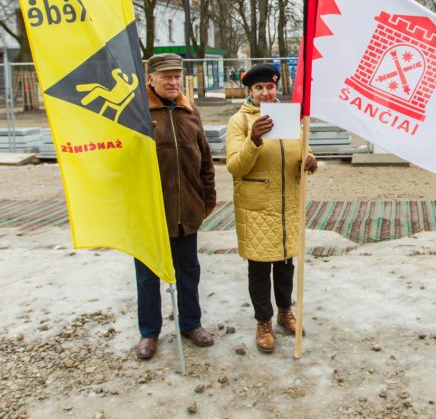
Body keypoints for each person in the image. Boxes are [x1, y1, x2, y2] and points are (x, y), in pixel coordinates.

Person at [226, 63, 318, 353]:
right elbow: (234, 166)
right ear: (250, 91)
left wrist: (311, 160)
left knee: (285, 264)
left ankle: (285, 312)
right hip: (257, 207)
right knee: (259, 266)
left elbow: (299, 150)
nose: (266, 92)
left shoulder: (290, 117)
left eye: (270, 87)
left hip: (286, 203)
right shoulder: (239, 121)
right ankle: (263, 322)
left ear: (276, 88)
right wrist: (254, 139)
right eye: (259, 88)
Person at [135, 53, 217, 360]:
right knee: (147, 275)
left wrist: (207, 196)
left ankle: (190, 324)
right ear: (151, 79)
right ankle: (149, 332)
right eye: (166, 76)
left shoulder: (188, 110)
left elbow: (205, 157)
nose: (173, 82)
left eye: (176, 76)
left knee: (188, 270)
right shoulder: (139, 112)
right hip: (150, 211)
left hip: (186, 209)